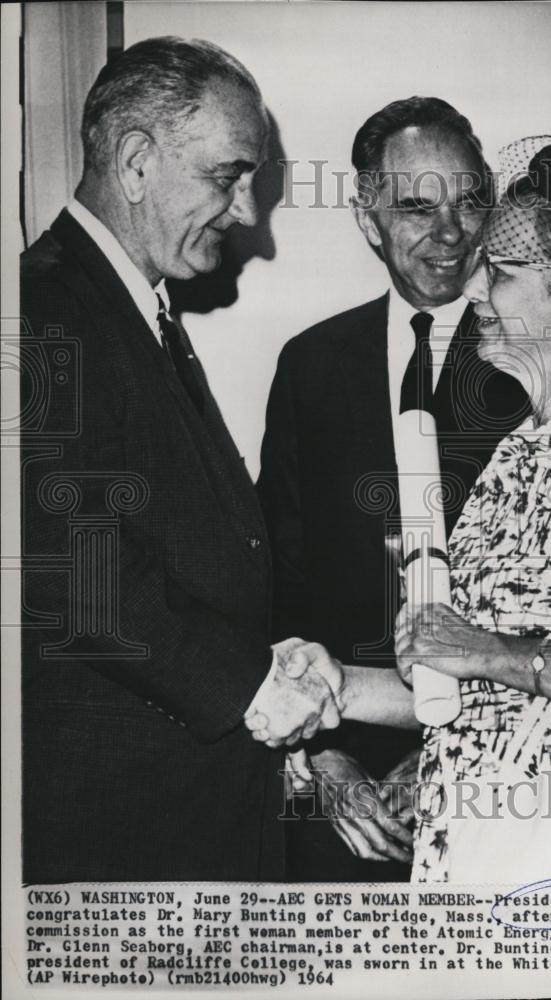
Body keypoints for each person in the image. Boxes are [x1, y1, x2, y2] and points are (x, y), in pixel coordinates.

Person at [246, 137, 551, 882]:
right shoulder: (521, 451)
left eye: (500, 272)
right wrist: (337, 684)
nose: (474, 292)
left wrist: (489, 651)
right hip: (480, 854)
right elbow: (466, 683)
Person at [20, 36, 339, 883]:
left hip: (188, 804)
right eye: (226, 176)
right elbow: (68, 558)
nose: (244, 212)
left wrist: (271, 662)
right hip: (121, 829)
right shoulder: (42, 308)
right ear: (134, 162)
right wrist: (250, 687)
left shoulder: (129, 310)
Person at [257, 97, 529, 881]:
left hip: (497, 765)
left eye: (469, 201)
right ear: (367, 217)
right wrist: (326, 754)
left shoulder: (540, 360)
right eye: (416, 206)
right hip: (339, 770)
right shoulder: (310, 365)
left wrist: (442, 757)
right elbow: (281, 576)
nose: (451, 234)